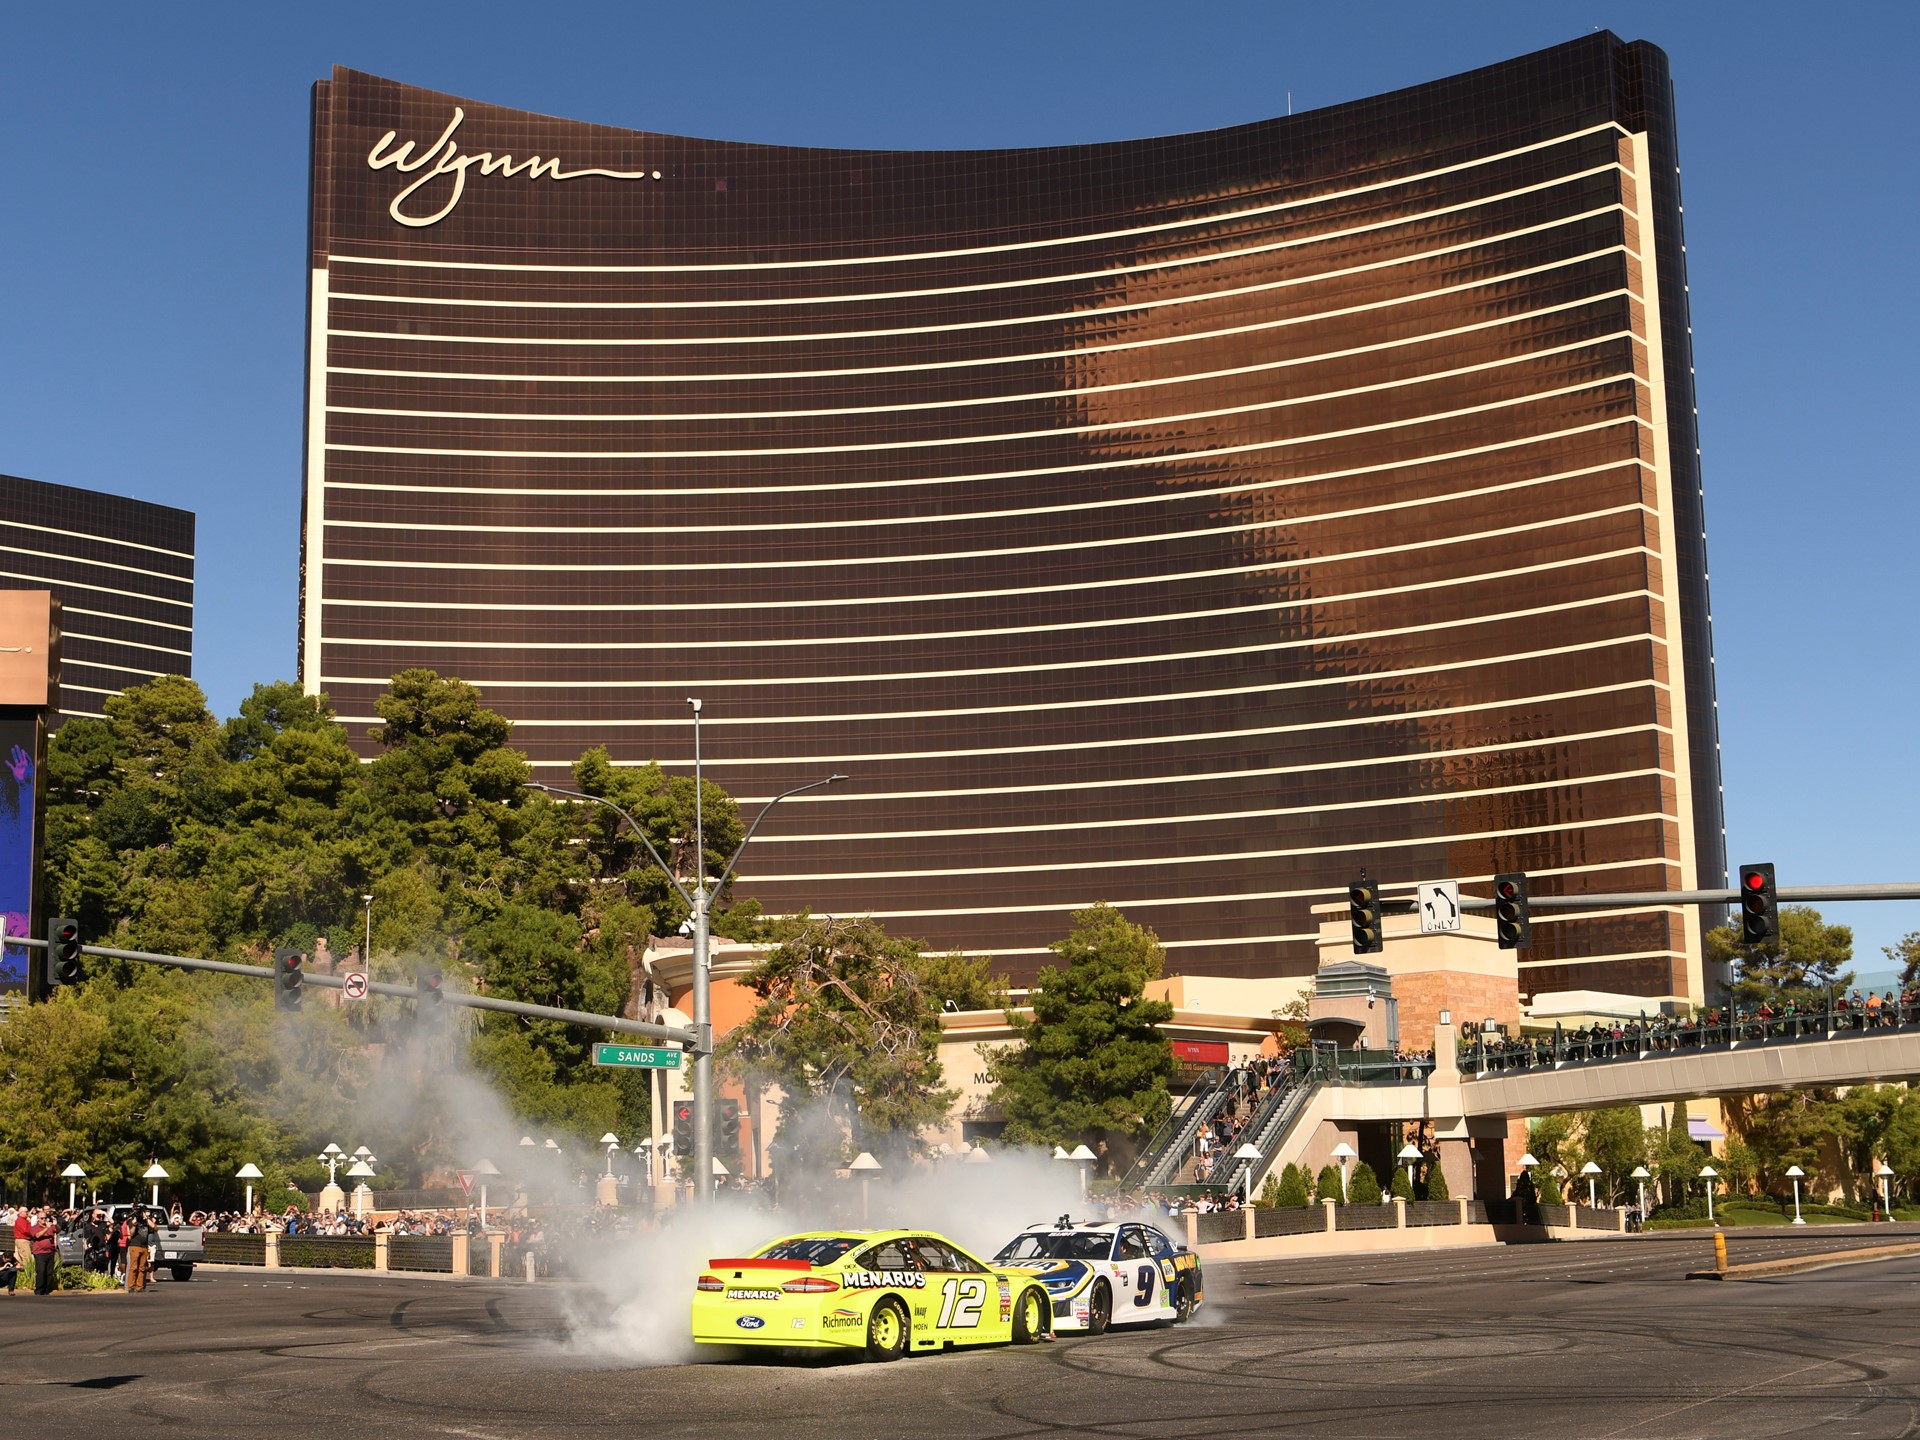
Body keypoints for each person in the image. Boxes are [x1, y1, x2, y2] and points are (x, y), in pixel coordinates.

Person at [30, 1209, 59, 1296]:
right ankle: (39, 1289)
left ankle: (47, 1289)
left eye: (45, 1218)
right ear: (38, 1219)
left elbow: (58, 1230)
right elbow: (37, 1235)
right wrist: (47, 1228)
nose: (44, 1220)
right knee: (41, 1271)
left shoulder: (50, 1226)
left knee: (49, 1272)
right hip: (40, 1252)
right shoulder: (34, 1228)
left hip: (50, 1251)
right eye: (42, 1218)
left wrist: (55, 1224)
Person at [124, 1208, 154, 1293]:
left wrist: (147, 1218)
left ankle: (139, 1287)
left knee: (142, 1268)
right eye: (141, 1213)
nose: (142, 1214)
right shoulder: (132, 1220)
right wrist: (134, 1224)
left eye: (143, 1212)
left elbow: (154, 1227)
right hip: (135, 1245)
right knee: (133, 1267)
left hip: (144, 1246)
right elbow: (131, 1234)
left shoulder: (147, 1221)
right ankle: (130, 1286)